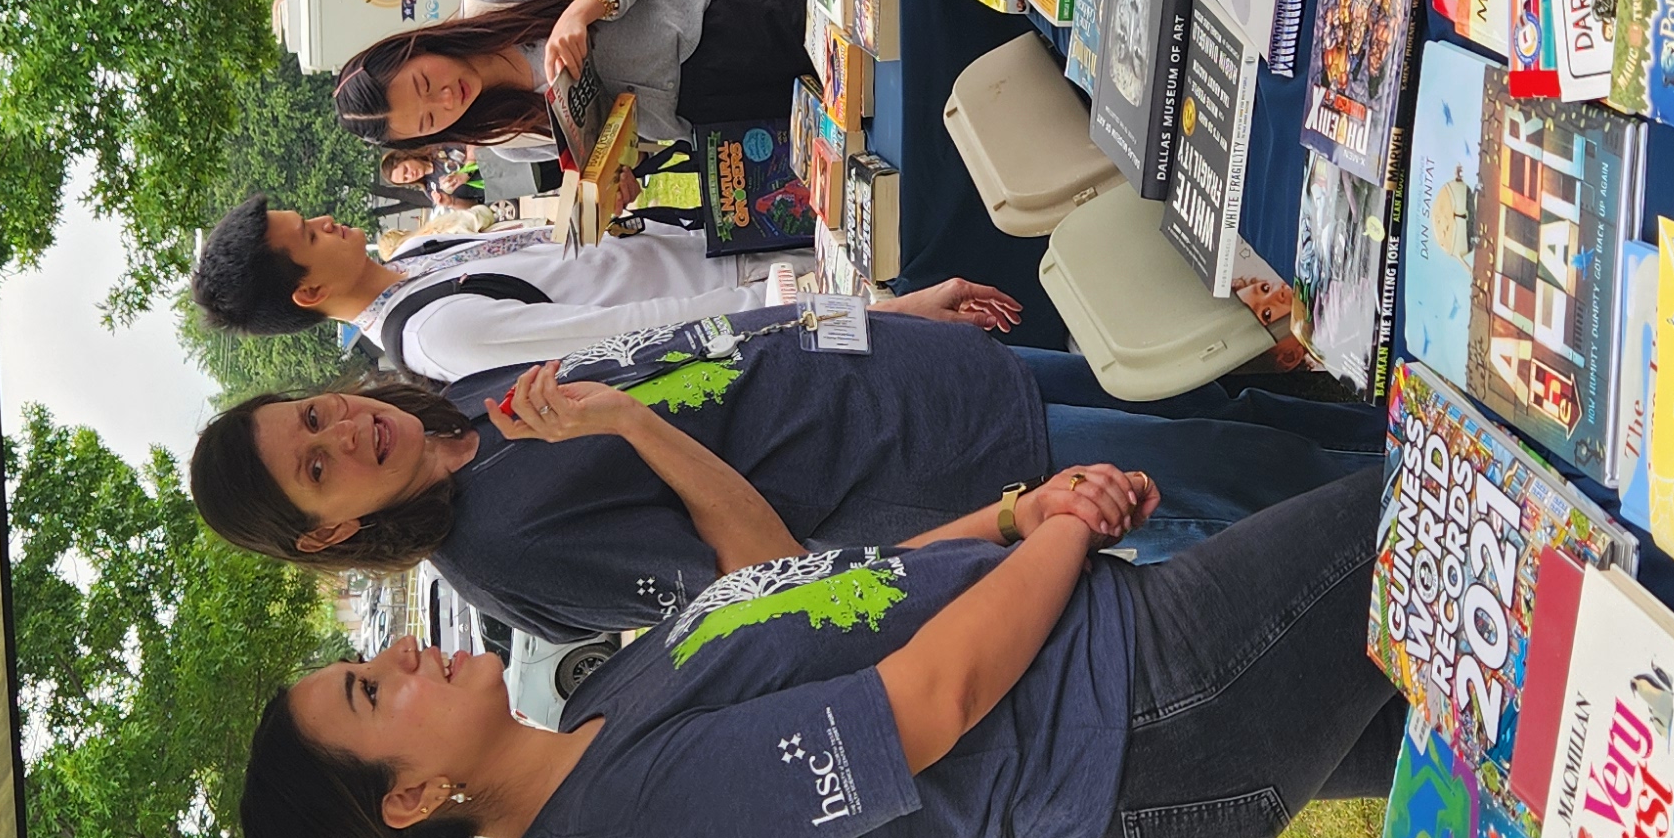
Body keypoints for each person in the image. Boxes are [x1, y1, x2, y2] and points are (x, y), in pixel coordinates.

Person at [232, 365, 1401, 838]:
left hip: (1113, 661)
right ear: (412, 796)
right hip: (1133, 721)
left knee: (1480, 699)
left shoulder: (593, 719)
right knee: (1451, 511)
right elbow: (929, 704)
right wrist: (1058, 534)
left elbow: (835, 594)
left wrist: (1008, 521)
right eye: (369, 690)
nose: (395, 650)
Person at [180, 289, 1391, 640]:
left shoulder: (462, 406)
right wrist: (629, 428)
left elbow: (690, 347)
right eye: (320, 469)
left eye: (318, 415)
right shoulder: (499, 551)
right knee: (1247, 486)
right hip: (957, 467)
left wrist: (885, 308)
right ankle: (1470, 519)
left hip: (925, 374)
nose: (346, 433)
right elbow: (759, 580)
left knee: (1236, 404)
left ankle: (1424, 446)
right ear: (329, 533)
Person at [187, 190, 1014, 381]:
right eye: (307, 238)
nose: (325, 224)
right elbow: (651, 337)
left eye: (307, 217)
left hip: (744, 240)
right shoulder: (437, 337)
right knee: (982, 314)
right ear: (303, 293)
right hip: (775, 296)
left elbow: (571, 254)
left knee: (961, 235)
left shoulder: (421, 253)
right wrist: (852, 314)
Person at [330, 0, 815, 153]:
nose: (444, 99)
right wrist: (617, 177)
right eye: (430, 119)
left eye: (422, 83)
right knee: (857, 113)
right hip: (710, 117)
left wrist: (582, 11)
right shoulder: (506, 139)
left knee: (860, 31)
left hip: (720, 23)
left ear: (416, 48)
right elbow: (610, 149)